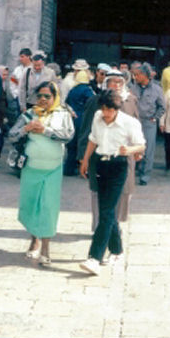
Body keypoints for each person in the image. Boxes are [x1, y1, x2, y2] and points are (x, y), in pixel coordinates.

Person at [79, 90, 145, 276]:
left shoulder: (129, 123)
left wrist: (129, 149)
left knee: (107, 211)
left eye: (110, 110)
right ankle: (117, 250)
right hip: (100, 164)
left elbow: (141, 145)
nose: (106, 113)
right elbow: (92, 139)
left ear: (117, 109)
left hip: (118, 165)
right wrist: (85, 160)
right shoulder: (97, 116)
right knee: (106, 210)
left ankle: (94, 257)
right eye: (104, 109)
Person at [8, 81, 74, 266]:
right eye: (40, 96)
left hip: (52, 169)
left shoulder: (63, 114)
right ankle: (34, 239)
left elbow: (68, 136)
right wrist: (25, 129)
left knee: (48, 207)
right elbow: (11, 135)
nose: (43, 99)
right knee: (30, 205)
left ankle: (45, 247)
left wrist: (45, 130)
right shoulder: (29, 114)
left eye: (48, 96)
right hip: (31, 169)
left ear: (55, 97)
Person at [77, 70, 139, 230]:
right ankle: (99, 227)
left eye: (120, 82)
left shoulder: (131, 100)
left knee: (124, 191)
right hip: (100, 156)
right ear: (106, 83)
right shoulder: (96, 101)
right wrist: (83, 157)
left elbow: (138, 128)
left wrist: (137, 150)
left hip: (124, 156)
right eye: (113, 82)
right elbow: (86, 131)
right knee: (99, 193)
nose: (117, 85)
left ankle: (115, 227)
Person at [130, 63, 165, 185]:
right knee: (133, 147)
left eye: (138, 75)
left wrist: (155, 118)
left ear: (145, 75)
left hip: (149, 122)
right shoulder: (132, 88)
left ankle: (145, 175)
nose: (135, 77)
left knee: (148, 149)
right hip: (134, 122)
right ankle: (133, 171)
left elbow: (162, 107)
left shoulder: (157, 89)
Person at [63, 70, 94, 176]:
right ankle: (84, 169)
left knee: (71, 146)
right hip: (84, 119)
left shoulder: (73, 90)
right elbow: (92, 102)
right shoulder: (87, 90)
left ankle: (68, 169)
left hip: (73, 118)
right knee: (83, 144)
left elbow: (66, 103)